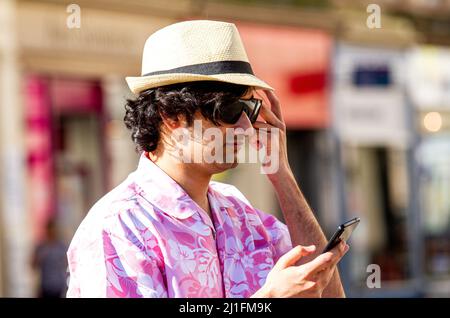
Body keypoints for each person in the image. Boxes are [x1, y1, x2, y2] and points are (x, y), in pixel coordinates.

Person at [66, 20, 348, 298]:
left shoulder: (239, 213)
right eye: (228, 109)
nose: (246, 127)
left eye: (249, 108)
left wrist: (282, 175)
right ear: (171, 115)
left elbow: (328, 295)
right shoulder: (119, 226)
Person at [32, 218, 68, 298]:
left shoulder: (62, 247)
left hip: (59, 286)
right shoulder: (41, 247)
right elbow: (33, 265)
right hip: (45, 287)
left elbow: (68, 264)